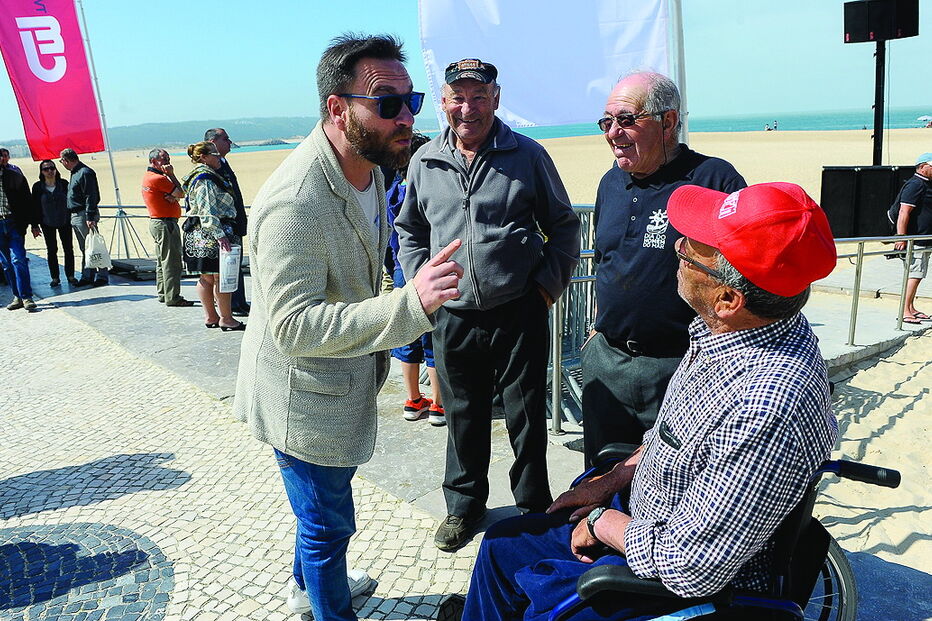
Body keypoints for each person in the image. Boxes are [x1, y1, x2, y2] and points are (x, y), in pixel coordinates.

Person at [460, 182, 839, 621]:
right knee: (500, 544)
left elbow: (692, 565)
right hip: (647, 511)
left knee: (529, 587)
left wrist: (601, 521)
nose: (677, 245)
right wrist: (609, 482)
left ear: (729, 298)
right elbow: (672, 436)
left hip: (675, 583)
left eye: (693, 249)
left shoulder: (769, 404)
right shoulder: (733, 332)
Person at [232, 34, 463, 620]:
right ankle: (329, 609)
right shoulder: (295, 200)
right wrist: (410, 304)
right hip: (301, 399)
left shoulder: (370, 171)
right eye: (387, 104)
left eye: (411, 101)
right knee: (328, 525)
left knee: (320, 510)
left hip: (338, 386)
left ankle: (302, 588)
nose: (407, 117)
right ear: (338, 108)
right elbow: (291, 324)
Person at [396, 58, 581, 551]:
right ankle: (463, 505)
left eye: (478, 97)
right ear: (444, 103)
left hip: (518, 308)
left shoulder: (527, 155)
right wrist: (422, 281)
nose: (467, 108)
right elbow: (410, 228)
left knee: (525, 416)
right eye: (457, 97)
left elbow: (563, 225)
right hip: (452, 314)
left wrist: (544, 288)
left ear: (496, 99)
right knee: (462, 414)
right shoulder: (425, 160)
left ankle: (533, 506)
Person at [581, 71, 746, 466]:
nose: (613, 133)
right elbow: (606, 259)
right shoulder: (610, 183)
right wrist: (595, 331)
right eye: (606, 122)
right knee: (600, 478)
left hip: (682, 369)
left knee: (670, 481)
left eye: (626, 120)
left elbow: (740, 274)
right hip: (607, 362)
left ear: (667, 122)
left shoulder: (713, 180)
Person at [385, 131, 446, 425]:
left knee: (408, 339)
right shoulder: (426, 188)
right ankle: (438, 403)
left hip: (400, 269)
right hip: (428, 269)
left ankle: (412, 398)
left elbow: (389, 238)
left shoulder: (393, 190)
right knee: (433, 338)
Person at [180, 142, 243, 331]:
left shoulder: (197, 177)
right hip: (210, 234)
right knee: (219, 277)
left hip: (198, 234)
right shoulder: (205, 178)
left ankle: (211, 317)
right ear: (204, 157)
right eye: (215, 155)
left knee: (206, 277)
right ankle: (226, 318)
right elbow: (207, 210)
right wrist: (220, 235)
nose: (219, 158)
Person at [205, 128, 250, 316]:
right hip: (223, 227)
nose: (229, 142)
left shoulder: (223, 163)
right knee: (224, 269)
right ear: (213, 142)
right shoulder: (209, 170)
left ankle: (238, 303)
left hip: (234, 223)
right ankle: (230, 307)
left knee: (235, 265)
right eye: (225, 139)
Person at [142, 149, 192, 307]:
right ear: (154, 161)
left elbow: (175, 194)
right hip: (165, 223)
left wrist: (174, 195)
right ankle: (173, 297)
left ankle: (164, 293)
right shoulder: (159, 179)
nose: (168, 162)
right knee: (172, 262)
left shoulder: (148, 177)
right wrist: (171, 175)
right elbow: (182, 192)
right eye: (164, 159)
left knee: (161, 261)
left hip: (158, 222)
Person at [888, 152, 932, 323]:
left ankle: (911, 307)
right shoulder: (915, 185)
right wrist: (901, 237)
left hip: (924, 238)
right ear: (922, 167)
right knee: (914, 273)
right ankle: (905, 311)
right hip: (916, 239)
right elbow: (903, 212)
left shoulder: (926, 184)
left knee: (918, 274)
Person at [60, 148, 108, 287]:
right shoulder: (75, 173)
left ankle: (102, 275)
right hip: (75, 215)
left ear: (66, 160)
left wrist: (90, 216)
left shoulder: (85, 172)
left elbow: (91, 195)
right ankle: (87, 275)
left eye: (62, 161)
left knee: (94, 247)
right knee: (85, 248)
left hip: (83, 215)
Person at [0, 154, 39, 311]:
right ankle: (17, 296)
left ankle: (26, 296)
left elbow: (27, 201)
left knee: (18, 259)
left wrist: (34, 224)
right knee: (6, 264)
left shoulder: (15, 177)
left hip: (13, 223)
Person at [31, 160, 75, 287]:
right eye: (46, 169)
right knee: (51, 250)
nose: (49, 171)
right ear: (42, 172)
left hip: (65, 221)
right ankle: (55, 278)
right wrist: (34, 225)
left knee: (68, 249)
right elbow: (34, 207)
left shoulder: (64, 184)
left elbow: (71, 201)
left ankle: (70, 276)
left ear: (56, 169)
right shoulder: (38, 187)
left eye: (52, 168)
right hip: (47, 222)